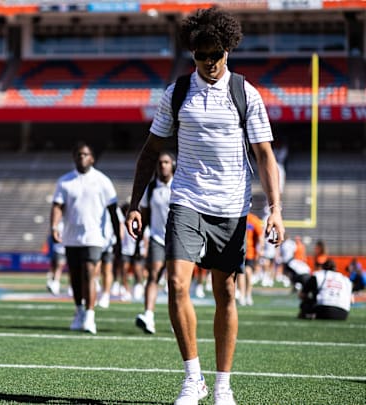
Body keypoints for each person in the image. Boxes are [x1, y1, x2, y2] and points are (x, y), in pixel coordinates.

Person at [125, 7, 285, 405]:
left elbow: (264, 154)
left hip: (231, 207)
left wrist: (275, 208)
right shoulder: (177, 93)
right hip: (186, 200)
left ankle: (222, 384)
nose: (210, 63)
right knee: (176, 283)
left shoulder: (245, 93)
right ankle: (192, 378)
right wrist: (134, 204)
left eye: (216, 54)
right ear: (192, 54)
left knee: (224, 295)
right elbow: (150, 152)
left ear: (228, 50)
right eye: (201, 56)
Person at [51, 142, 121, 335]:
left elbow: (113, 211)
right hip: (71, 236)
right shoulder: (65, 181)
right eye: (78, 154)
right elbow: (57, 206)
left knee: (90, 274)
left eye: (85, 154)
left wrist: (118, 238)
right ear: (74, 157)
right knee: (75, 276)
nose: (82, 157)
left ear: (92, 158)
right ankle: (79, 310)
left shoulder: (103, 181)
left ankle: (90, 316)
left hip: (95, 237)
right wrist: (54, 226)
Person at [135, 151, 174, 334]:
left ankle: (178, 320)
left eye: (166, 162)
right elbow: (144, 216)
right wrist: (139, 241)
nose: (163, 165)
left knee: (176, 282)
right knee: (153, 276)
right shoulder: (150, 189)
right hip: (157, 238)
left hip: (178, 240)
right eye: (160, 162)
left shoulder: (181, 186)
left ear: (172, 164)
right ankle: (148, 315)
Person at [238, 211, 262, 306]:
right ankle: (242, 295)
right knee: (241, 273)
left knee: (248, 272)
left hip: (250, 253)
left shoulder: (253, 219)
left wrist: (260, 249)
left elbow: (260, 236)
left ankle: (248, 294)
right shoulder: (237, 217)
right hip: (238, 251)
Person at [46, 220, 66, 295]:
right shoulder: (59, 224)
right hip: (59, 249)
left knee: (58, 267)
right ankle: (55, 284)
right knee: (58, 267)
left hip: (66, 248)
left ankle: (53, 283)